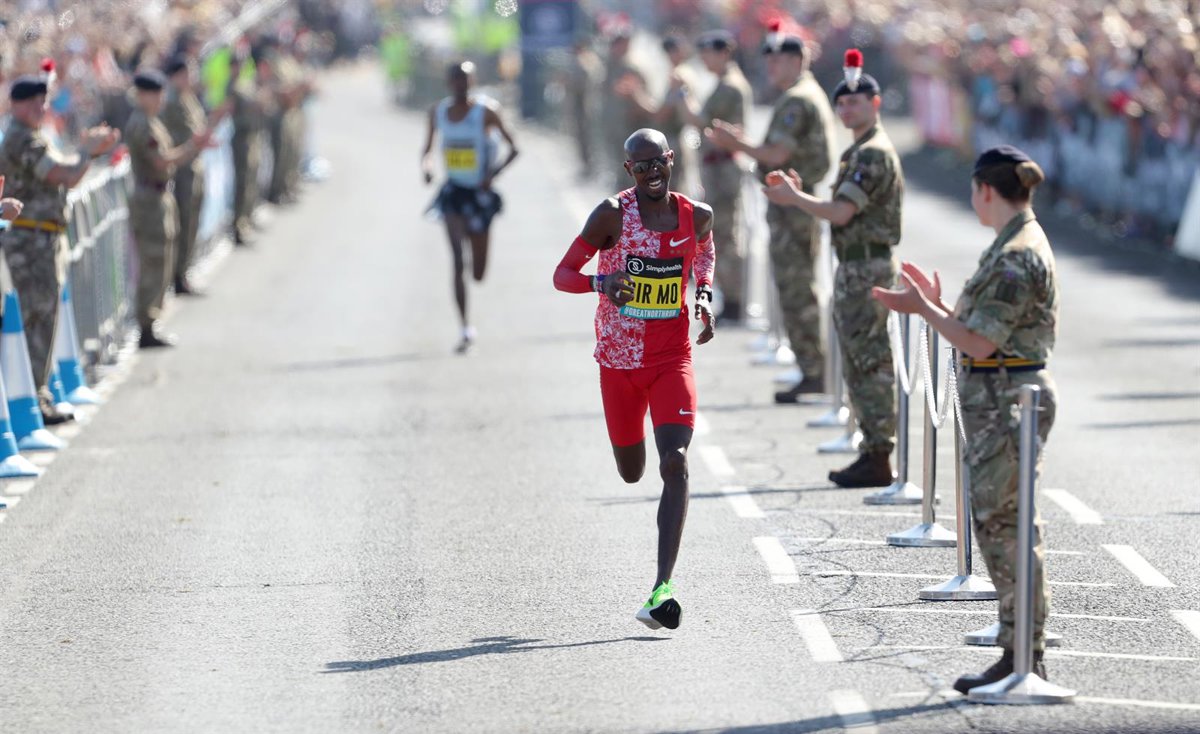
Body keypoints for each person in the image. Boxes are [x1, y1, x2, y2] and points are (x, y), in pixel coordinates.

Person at [872, 146, 1058, 695]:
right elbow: (982, 328)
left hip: (1008, 399)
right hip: (1000, 396)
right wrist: (937, 305)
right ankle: (1017, 648)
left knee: (1008, 526)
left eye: (973, 191)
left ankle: (1024, 654)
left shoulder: (1015, 254)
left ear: (986, 190)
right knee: (1000, 523)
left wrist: (924, 310)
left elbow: (980, 342)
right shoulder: (1011, 243)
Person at [552, 129, 716, 631]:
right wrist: (601, 282)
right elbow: (562, 274)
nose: (651, 173)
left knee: (676, 462)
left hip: (671, 359)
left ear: (671, 160)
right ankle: (634, 458)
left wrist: (703, 295)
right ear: (629, 171)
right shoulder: (611, 215)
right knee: (631, 471)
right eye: (640, 167)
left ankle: (662, 588)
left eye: (657, 163)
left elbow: (705, 253)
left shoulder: (696, 216)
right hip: (619, 364)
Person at [763, 49, 902, 488]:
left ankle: (878, 453)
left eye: (855, 102)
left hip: (867, 267)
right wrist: (800, 195)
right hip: (857, 264)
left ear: (875, 104)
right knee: (859, 360)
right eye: (841, 103)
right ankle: (872, 450)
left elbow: (842, 212)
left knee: (868, 361)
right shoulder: (859, 150)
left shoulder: (871, 154)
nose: (846, 109)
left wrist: (795, 199)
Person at [707, 32, 833, 400]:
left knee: (797, 289)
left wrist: (737, 144)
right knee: (794, 286)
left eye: (777, 60)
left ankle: (814, 371)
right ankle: (811, 369)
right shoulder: (798, 95)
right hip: (792, 201)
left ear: (797, 61)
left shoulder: (798, 99)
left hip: (794, 205)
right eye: (769, 60)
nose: (770, 67)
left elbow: (777, 154)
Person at [0, 75, 120, 422]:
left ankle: (36, 396)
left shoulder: (36, 136)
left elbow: (68, 175)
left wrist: (88, 154)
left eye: (43, 100)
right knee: (31, 320)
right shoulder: (21, 138)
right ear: (16, 105)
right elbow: (62, 175)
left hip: (43, 240)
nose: (40, 107)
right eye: (32, 101)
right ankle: (28, 402)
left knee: (43, 320)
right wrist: (86, 152)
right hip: (28, 242)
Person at [419, 61, 518, 354]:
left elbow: (514, 148)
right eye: (455, 79)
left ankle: (475, 276)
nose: (460, 85)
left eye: (465, 79)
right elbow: (427, 151)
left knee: (478, 272)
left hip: (479, 195)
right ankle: (464, 327)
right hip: (453, 193)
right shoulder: (438, 113)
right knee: (457, 260)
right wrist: (427, 168)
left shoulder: (486, 112)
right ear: (448, 83)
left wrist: (493, 174)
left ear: (472, 81)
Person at [123, 70, 223, 349]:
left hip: (157, 196)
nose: (160, 99)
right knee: (154, 261)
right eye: (155, 94)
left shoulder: (151, 121)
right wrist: (192, 146)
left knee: (163, 259)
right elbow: (161, 161)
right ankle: (146, 325)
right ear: (143, 95)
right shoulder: (142, 124)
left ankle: (152, 320)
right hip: (149, 199)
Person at [678, 30, 751, 321]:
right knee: (719, 233)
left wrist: (682, 94)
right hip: (717, 168)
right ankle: (730, 297)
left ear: (724, 53)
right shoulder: (725, 84)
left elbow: (698, 120)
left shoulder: (729, 87)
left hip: (723, 169)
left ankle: (734, 301)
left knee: (724, 235)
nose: (705, 59)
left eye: (709, 53)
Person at [615, 34, 698, 196]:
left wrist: (636, 94)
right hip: (676, 139)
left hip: (673, 141)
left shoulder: (678, 77)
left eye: (672, 50)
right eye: (667, 51)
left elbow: (660, 115)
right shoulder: (684, 73)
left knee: (671, 194)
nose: (670, 55)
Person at [161, 54, 207, 294]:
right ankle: (177, 276)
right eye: (187, 73)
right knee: (182, 223)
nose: (191, 77)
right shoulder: (171, 101)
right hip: (181, 170)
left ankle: (184, 271)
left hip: (192, 165)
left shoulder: (187, 98)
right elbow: (177, 136)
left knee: (191, 222)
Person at [601, 29, 651, 191]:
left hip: (628, 125)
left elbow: (643, 96)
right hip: (613, 123)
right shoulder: (609, 66)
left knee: (629, 163)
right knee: (617, 161)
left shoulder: (631, 68)